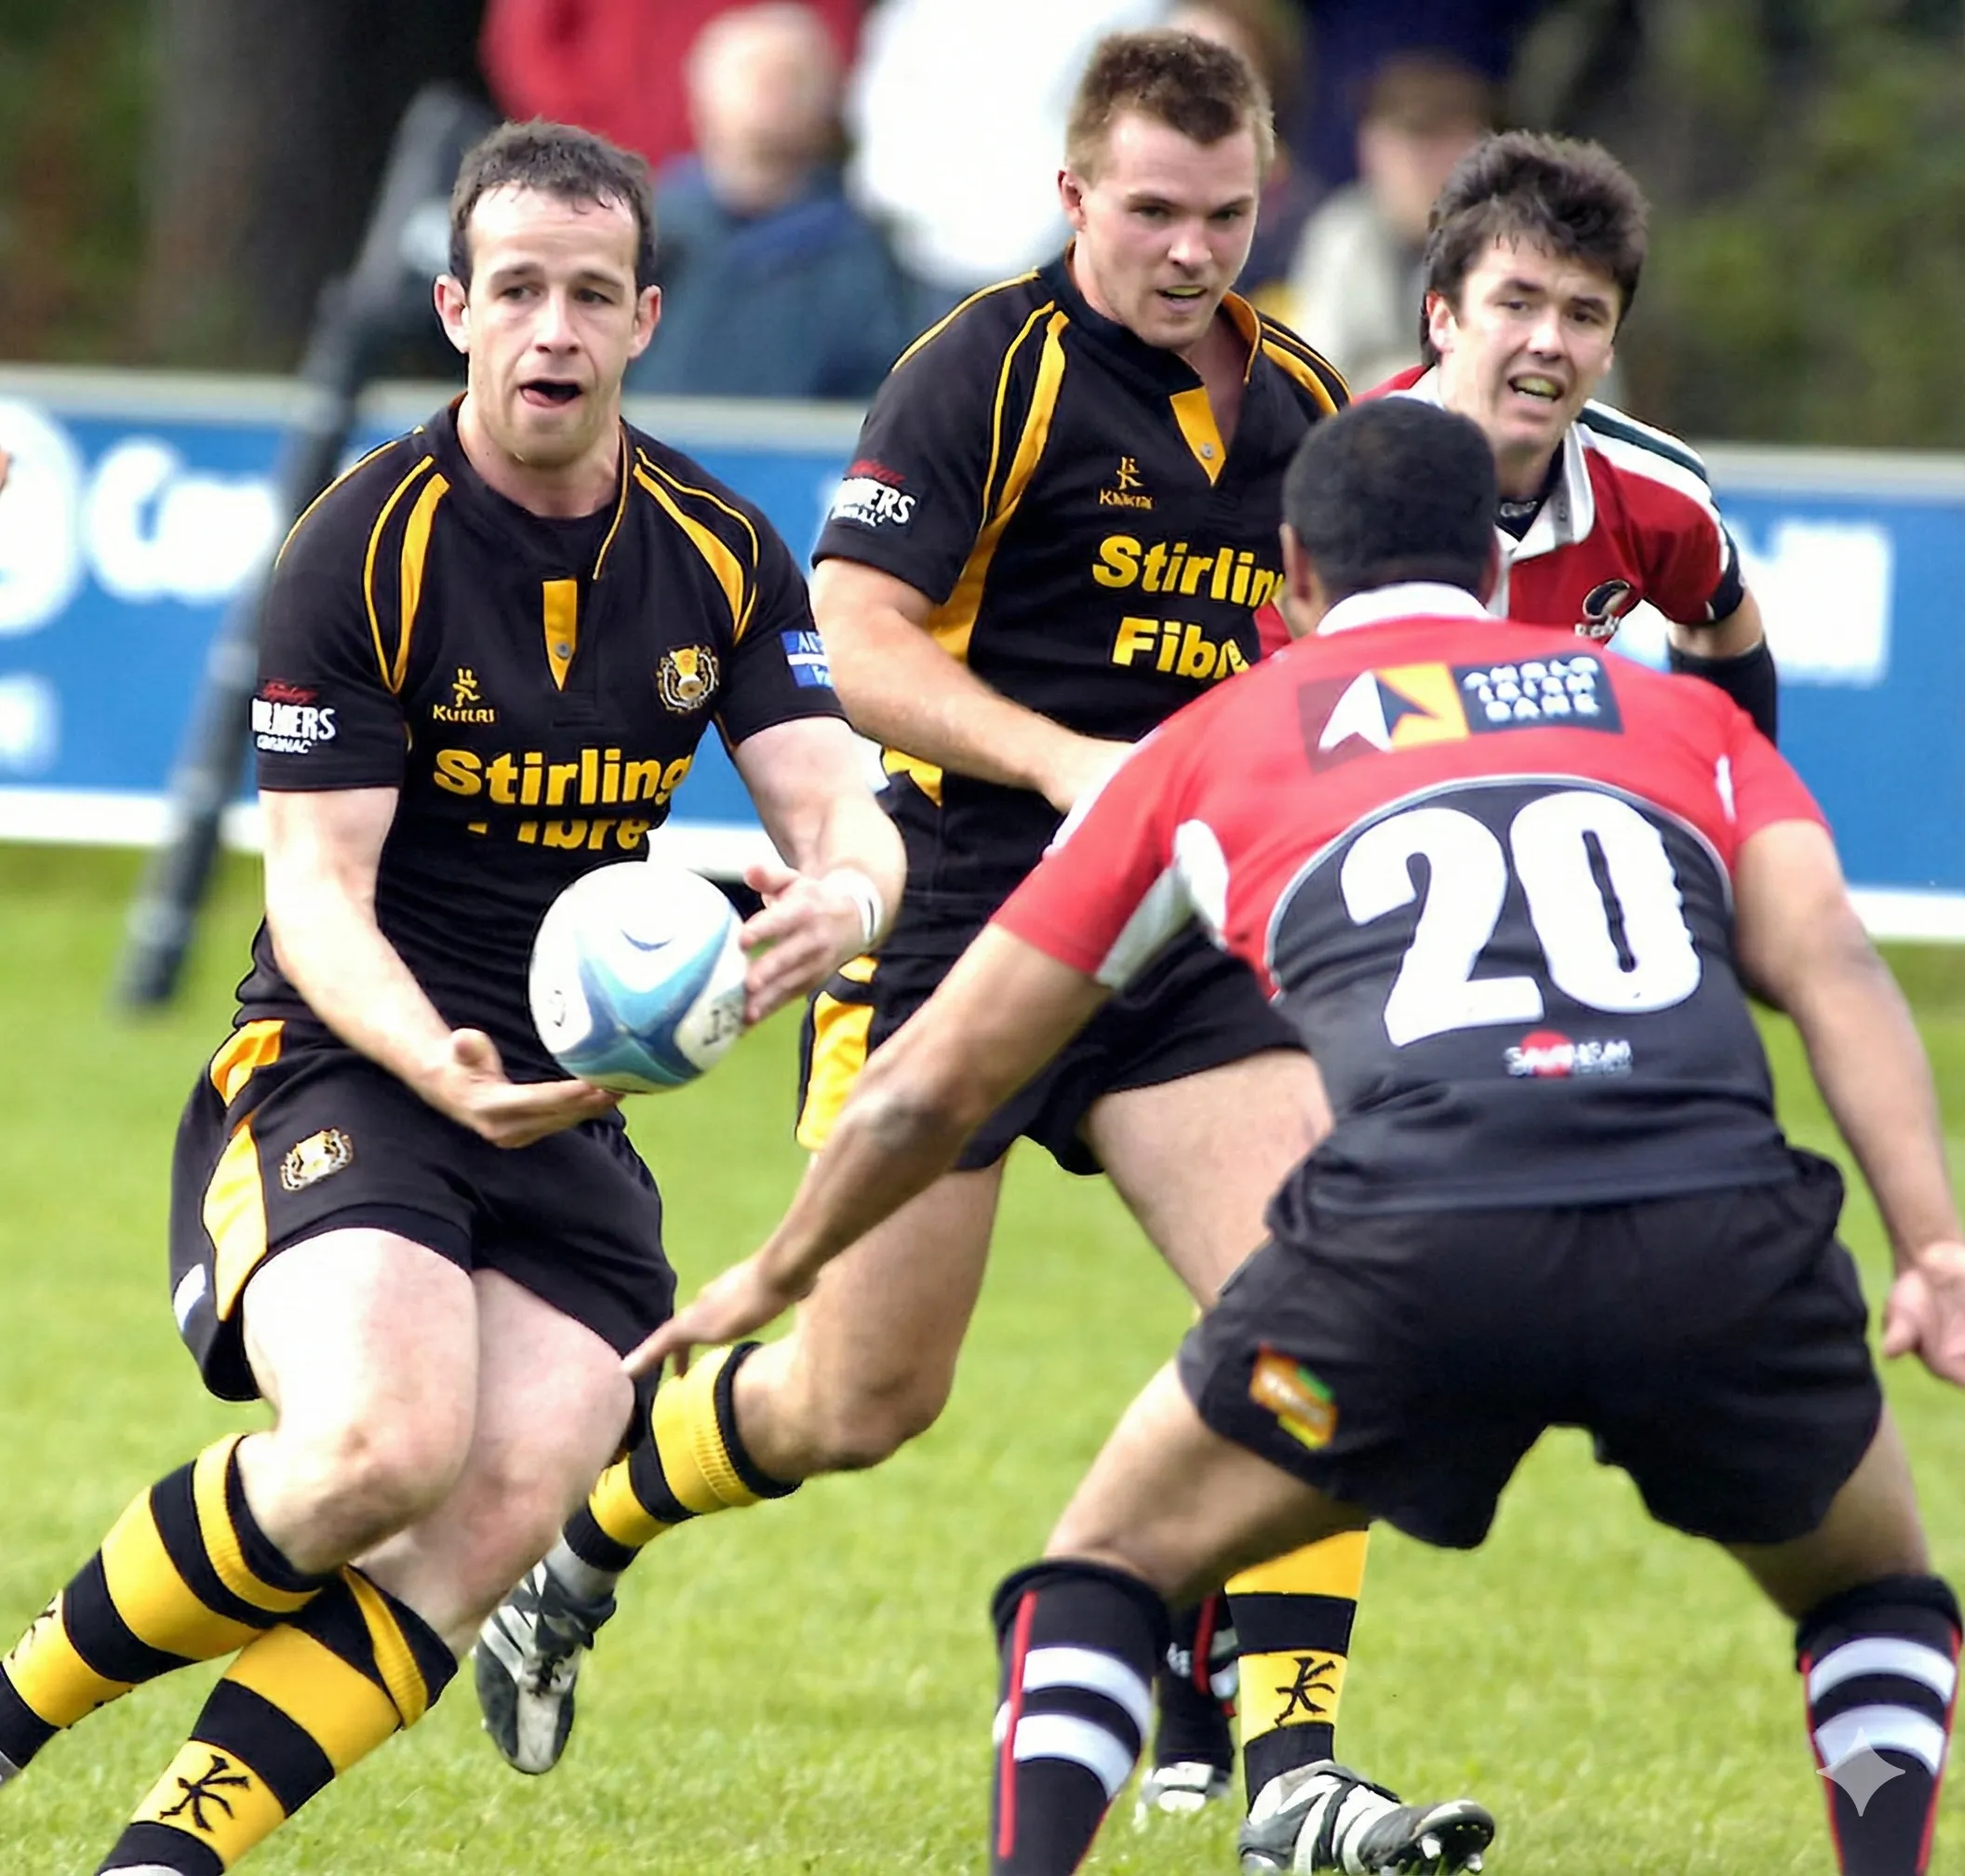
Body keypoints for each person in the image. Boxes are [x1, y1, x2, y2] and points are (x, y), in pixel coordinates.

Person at [634, 395, 1965, 1876]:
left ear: (1288, 580)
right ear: (1487, 559)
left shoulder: (1214, 744)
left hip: (1419, 1250)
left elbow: (931, 1084)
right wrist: (1931, 1245)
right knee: (1871, 1600)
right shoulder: (1682, 719)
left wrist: (780, 1264)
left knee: (1094, 1584)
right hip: (1718, 1236)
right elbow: (1834, 969)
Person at [475, 29, 1488, 1869]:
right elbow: (850, 643)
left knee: (1341, 1301)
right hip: (959, 920)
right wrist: (1063, 761)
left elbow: (1330, 659)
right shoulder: (982, 373)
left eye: (1230, 214)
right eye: (1156, 213)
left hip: (1178, 941)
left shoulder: (1301, 398)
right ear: (1075, 196)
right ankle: (585, 1536)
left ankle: (1297, 1775)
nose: (1192, 252)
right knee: (858, 1400)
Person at [0, 119, 902, 1876]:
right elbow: (317, 898)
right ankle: (11, 1709)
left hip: (571, 1103)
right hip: (348, 1055)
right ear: (455, 310)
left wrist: (843, 906)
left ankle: (160, 1860)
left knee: (500, 1501)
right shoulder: (360, 545)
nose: (550, 330)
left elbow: (839, 814)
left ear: (643, 316)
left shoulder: (722, 552)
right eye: (515, 293)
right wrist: (437, 1060)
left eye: (587, 295)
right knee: (371, 1452)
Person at [1368, 130, 1779, 741]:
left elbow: (1719, 622)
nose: (1549, 343)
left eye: (1583, 316)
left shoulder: (1656, 492)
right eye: (1517, 304)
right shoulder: (1337, 476)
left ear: (1610, 350)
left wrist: (1726, 797)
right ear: (1444, 318)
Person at [625, 3, 917, 401]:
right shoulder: (641, 238)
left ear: (831, 101)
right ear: (699, 95)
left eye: (795, 75)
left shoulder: (863, 254)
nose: (773, 87)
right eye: (751, 71)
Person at [1283, 53, 1492, 389]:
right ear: (1370, 147)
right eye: (1406, 142)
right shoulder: (1340, 232)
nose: (1417, 165)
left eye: (1440, 142)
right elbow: (1312, 376)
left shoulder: (1512, 244)